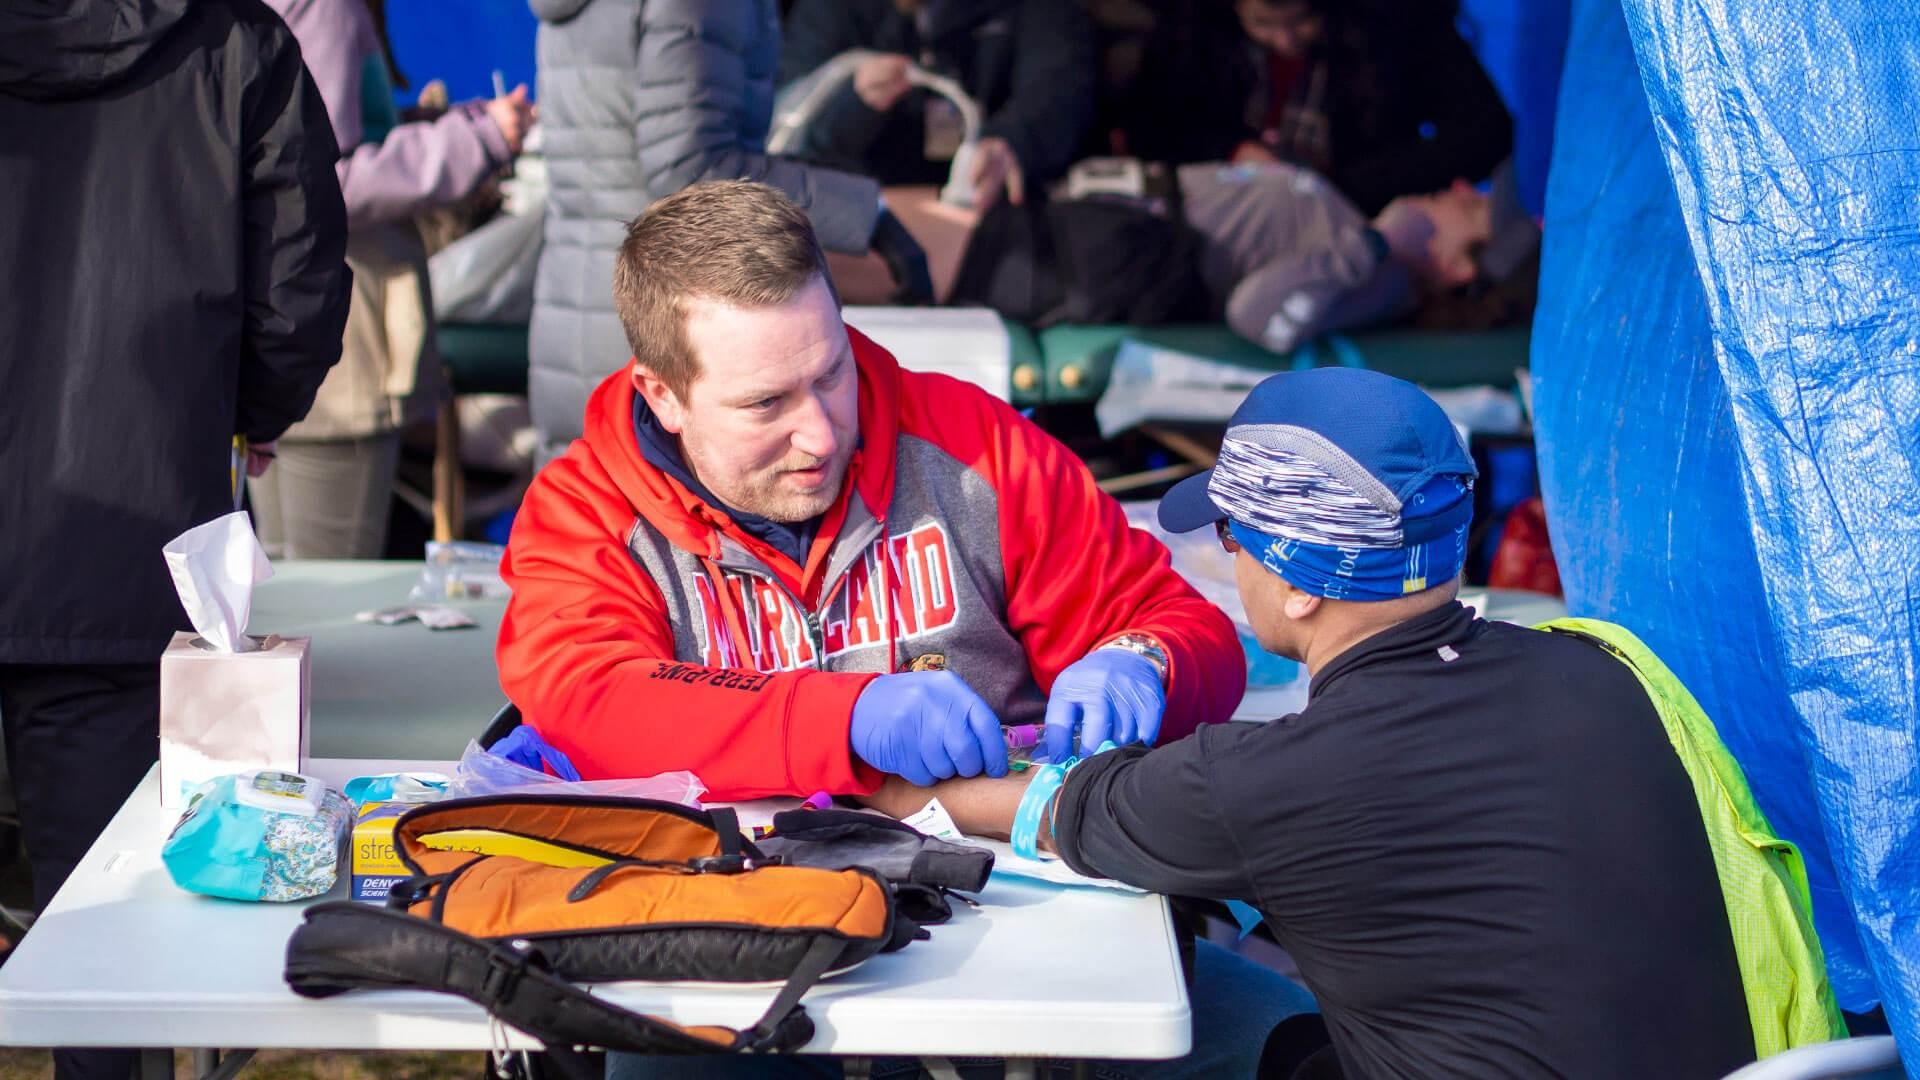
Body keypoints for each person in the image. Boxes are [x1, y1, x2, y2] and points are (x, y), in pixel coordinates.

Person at [498, 180, 1311, 1078]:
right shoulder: (587, 507)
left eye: (831, 373)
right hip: (728, 947)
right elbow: (585, 698)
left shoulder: (973, 446)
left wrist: (1142, 662)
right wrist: (843, 718)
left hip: (1011, 923)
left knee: (1284, 1047)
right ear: (665, 396)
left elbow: (1176, 621)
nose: (817, 433)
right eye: (766, 405)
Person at [881, 368, 1762, 1078]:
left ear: (1299, 583)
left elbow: (1031, 805)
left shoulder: (1272, 782)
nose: (1226, 563)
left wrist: (882, 777)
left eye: (1232, 540)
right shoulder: (1606, 671)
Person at [0, 1, 350, 1076]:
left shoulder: (239, 47)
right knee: (110, 956)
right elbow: (298, 296)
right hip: (127, 554)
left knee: (113, 952)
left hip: (123, 556)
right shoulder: (239, 45)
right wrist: (222, 417)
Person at [526, 0, 933, 464]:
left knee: (580, 513)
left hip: (575, 313)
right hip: (673, 324)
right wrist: (867, 214)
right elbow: (692, 169)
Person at [254, 0, 535, 558]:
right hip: (337, 344)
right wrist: (473, 141)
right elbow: (323, 179)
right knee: (327, 594)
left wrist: (450, 127)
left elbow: (305, 146)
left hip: (285, 323)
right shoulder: (324, 7)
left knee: (285, 587)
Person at [950, 157, 1540, 355]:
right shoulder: (1361, 246)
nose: (1460, 188)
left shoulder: (1378, 275)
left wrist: (1375, 242)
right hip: (1083, 221)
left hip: (1087, 260)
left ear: (1461, 265)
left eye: (1474, 207)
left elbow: (1258, 317)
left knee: (894, 238)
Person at [1117, 0, 1511, 214]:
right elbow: (1151, 127)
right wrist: (1232, 151)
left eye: (1302, 19)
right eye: (1264, 23)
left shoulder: (1395, 27)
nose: (1286, 40)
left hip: (1366, 218)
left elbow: (1484, 131)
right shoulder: (1191, 39)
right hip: (1228, 216)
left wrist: (1340, 185)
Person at [777, 0, 1098, 209]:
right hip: (864, 211)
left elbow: (1058, 90)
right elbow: (788, 127)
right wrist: (855, 102)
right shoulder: (830, 11)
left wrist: (1011, 141)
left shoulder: (1037, 13)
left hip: (986, 215)